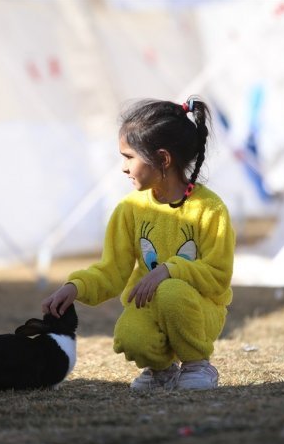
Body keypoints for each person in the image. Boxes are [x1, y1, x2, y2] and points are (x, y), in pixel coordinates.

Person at [41, 97, 235, 391]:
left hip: (199, 310)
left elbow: (218, 275)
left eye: (129, 156)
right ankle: (162, 371)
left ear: (163, 159)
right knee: (129, 334)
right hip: (151, 306)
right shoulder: (128, 210)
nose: (123, 167)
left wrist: (168, 271)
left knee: (170, 291)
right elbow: (111, 271)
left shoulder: (210, 209)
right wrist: (75, 286)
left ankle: (197, 365)